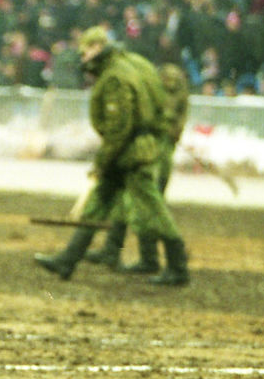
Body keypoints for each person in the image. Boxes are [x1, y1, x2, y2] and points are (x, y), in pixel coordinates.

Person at [34, 27, 190, 286]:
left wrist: (102, 162)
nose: (83, 58)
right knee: (97, 202)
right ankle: (68, 258)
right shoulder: (133, 63)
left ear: (97, 47)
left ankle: (178, 267)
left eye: (85, 51)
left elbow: (119, 128)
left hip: (130, 153)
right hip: (135, 148)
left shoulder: (114, 76)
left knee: (152, 209)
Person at [85, 60, 190, 276]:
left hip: (156, 150)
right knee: (127, 201)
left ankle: (151, 259)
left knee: (146, 204)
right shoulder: (148, 75)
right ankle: (115, 251)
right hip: (151, 147)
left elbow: (166, 115)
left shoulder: (166, 75)